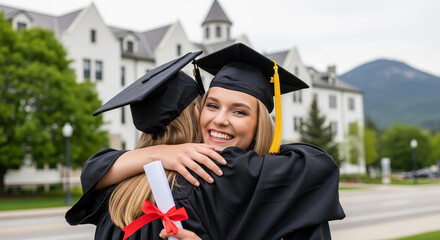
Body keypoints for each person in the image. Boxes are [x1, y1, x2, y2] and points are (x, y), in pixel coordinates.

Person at [66, 43, 345, 239]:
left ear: (261, 122)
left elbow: (95, 168)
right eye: (212, 105)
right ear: (197, 111)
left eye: (239, 111)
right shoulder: (214, 174)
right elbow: (319, 166)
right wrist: (166, 154)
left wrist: (157, 153)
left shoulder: (120, 191)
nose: (220, 119)